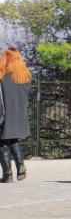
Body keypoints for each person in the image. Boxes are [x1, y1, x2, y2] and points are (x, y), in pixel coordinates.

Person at [0, 49, 32, 182]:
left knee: (2, 143)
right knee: (14, 139)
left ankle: (7, 175)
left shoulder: (2, 76)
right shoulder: (26, 77)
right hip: (19, 114)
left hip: (5, 113)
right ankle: (20, 164)